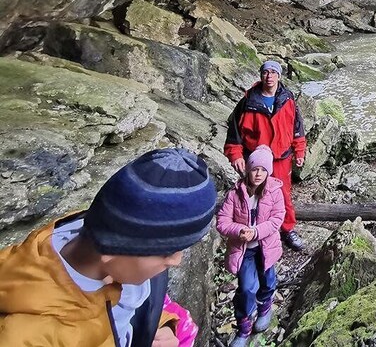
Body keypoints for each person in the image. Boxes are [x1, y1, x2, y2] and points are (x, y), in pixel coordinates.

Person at [0, 148, 217, 347]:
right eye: (168, 251)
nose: (176, 260)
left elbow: (135, 301)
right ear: (115, 250)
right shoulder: (28, 336)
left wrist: (162, 325)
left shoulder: (111, 240)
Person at [224, 60, 307, 252]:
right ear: (260, 76)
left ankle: (286, 230)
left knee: (283, 195)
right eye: (265, 72)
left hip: (281, 157)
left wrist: (299, 150)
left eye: (273, 72)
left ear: (279, 76)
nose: (269, 76)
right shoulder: (248, 101)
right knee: (254, 196)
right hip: (256, 159)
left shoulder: (287, 99)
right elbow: (234, 132)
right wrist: (236, 155)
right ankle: (257, 233)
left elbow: (297, 128)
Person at [216, 145, 286, 347]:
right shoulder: (235, 194)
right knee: (246, 288)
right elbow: (222, 221)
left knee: (268, 280)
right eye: (255, 169)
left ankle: (265, 307)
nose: (259, 174)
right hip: (243, 250)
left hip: (266, 246)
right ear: (248, 168)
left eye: (264, 170)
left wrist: (256, 232)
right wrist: (239, 231)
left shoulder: (274, 192)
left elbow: (276, 219)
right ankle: (244, 327)